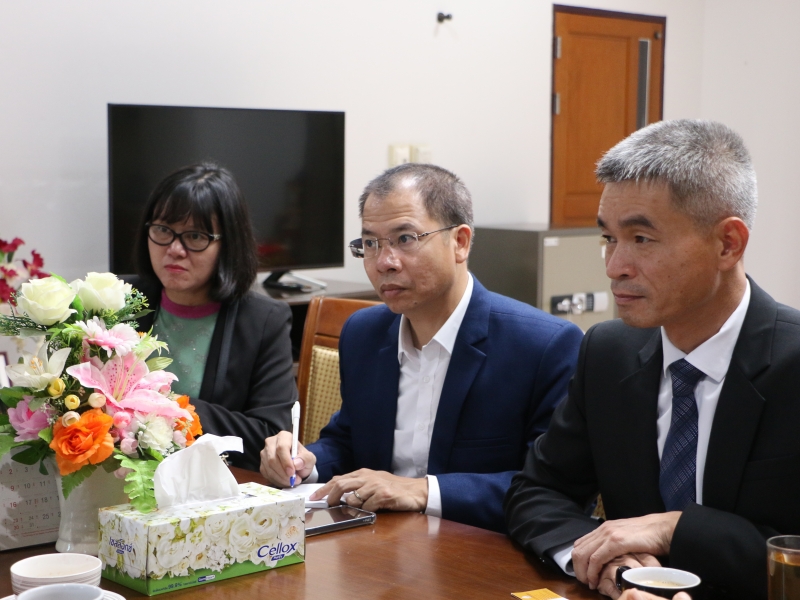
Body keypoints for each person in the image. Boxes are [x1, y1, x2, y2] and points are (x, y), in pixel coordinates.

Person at [504, 120, 800, 600]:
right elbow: (538, 491)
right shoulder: (609, 351)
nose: (614, 266)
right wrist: (605, 558)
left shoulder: (792, 362)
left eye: (641, 239)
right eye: (608, 238)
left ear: (728, 243)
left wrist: (674, 529)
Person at [260, 163, 583, 532]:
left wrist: (423, 491)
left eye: (405, 238)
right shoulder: (363, 333)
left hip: (480, 549)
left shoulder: (543, 346)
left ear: (460, 242)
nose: (385, 262)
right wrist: (305, 462)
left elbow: (554, 489)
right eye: (370, 243)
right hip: (376, 544)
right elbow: (348, 441)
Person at [130, 162, 297, 471]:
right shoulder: (120, 301)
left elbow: (270, 436)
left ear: (228, 244)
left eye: (195, 236)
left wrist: (169, 405)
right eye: (163, 230)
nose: (175, 249)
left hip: (214, 484)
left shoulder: (263, 321)